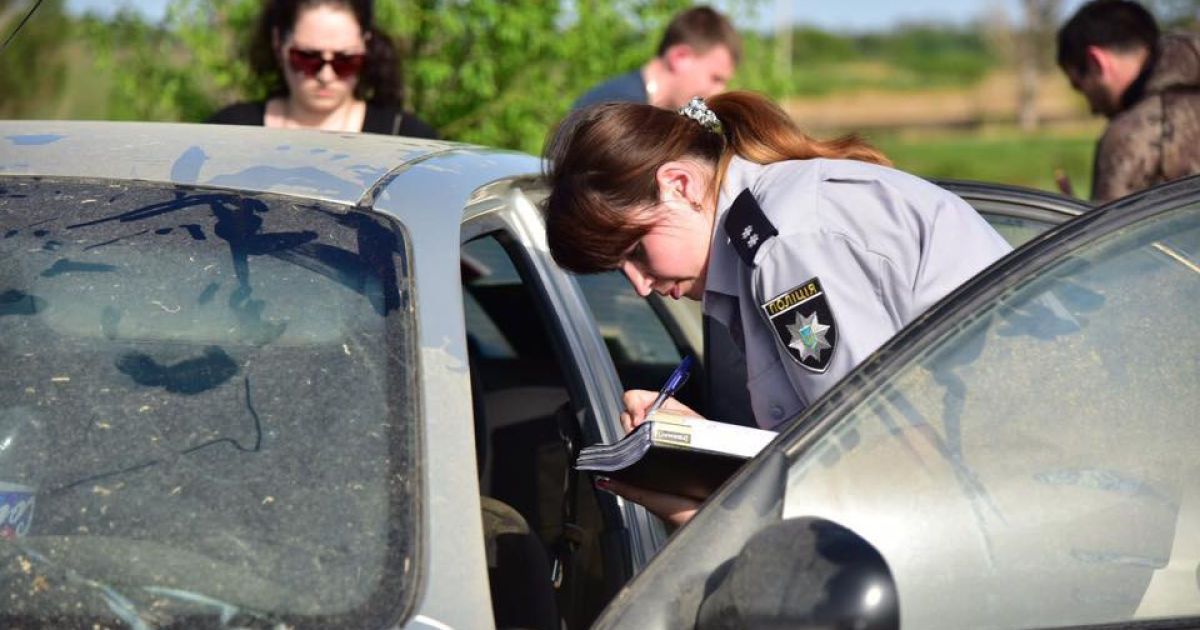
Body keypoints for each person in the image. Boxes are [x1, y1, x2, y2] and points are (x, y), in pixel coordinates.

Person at [542, 92, 1012, 524]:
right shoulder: (764, 232)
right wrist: (703, 445)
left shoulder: (782, 247)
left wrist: (716, 519)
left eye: (637, 251)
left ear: (679, 185)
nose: (640, 285)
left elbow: (885, 461)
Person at [207, 0, 438, 138]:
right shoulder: (228, 133)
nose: (325, 76)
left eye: (345, 61)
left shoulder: (406, 139)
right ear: (278, 44)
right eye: (307, 59)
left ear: (366, 45)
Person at [1057, 0, 1200, 203]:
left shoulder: (1130, 135)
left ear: (1096, 61)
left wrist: (1077, 222)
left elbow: (1111, 234)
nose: (1092, 109)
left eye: (1080, 86)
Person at [572, 6, 740, 111]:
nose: (719, 92)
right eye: (715, 78)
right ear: (680, 58)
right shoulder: (618, 111)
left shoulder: (641, 107)